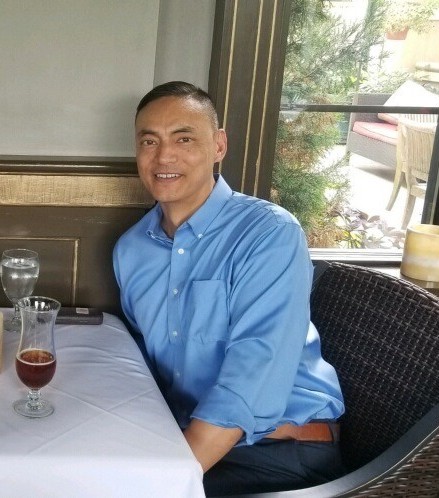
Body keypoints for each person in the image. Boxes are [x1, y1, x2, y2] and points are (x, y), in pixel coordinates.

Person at [113, 81, 345, 496]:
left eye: (184, 138)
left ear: (219, 145)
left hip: (278, 451)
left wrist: (164, 481)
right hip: (185, 437)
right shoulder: (131, 250)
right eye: (149, 141)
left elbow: (252, 377)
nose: (164, 156)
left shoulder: (269, 234)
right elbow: (141, 365)